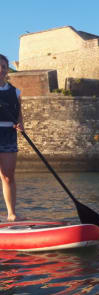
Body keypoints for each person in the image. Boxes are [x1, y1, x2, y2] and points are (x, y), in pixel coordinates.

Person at [0, 54, 25, 221]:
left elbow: (19, 114)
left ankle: (11, 214)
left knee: (8, 176)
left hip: (8, 134)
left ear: (7, 70)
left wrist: (20, 124)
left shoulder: (15, 92)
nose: (1, 70)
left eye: (3, 67)